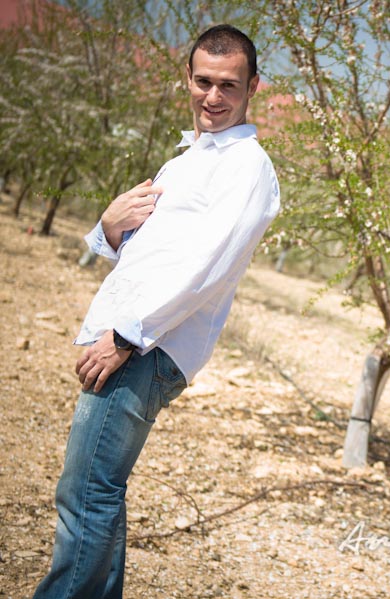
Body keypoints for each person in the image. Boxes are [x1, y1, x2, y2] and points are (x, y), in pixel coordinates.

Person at [32, 24, 280, 599]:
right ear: (187, 79)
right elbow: (153, 254)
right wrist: (109, 229)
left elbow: (205, 266)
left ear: (253, 88)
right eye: (203, 81)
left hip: (148, 345)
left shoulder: (246, 165)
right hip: (134, 336)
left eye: (229, 85)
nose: (213, 97)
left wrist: (124, 336)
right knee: (98, 492)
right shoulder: (188, 158)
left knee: (87, 491)